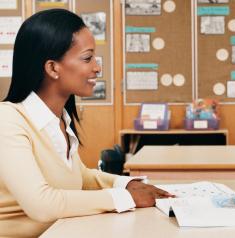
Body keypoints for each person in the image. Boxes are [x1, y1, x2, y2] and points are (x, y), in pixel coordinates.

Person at [0, 9, 172, 237]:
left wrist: (125, 185)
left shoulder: (59, 120)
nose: (97, 67)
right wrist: (125, 198)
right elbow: (41, 204)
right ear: (52, 68)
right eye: (87, 58)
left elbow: (81, 177)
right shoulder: (8, 120)